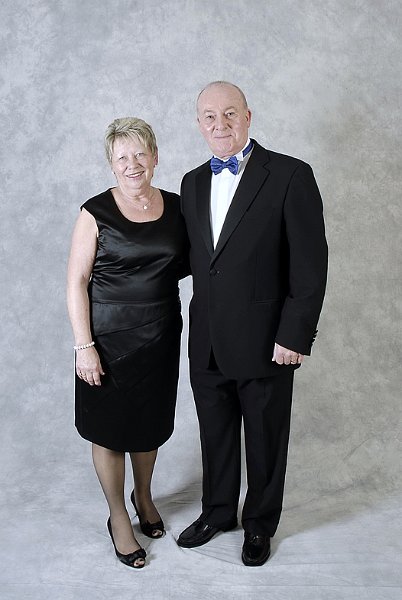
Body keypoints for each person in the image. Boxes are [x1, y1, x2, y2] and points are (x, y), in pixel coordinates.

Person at [177, 81, 328, 566]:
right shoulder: (191, 183)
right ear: (199, 124)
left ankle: (260, 524)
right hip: (207, 340)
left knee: (264, 439)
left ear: (248, 116)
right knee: (215, 435)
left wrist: (294, 334)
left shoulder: (289, 174)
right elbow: (198, 259)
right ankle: (218, 512)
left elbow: (310, 266)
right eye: (209, 116)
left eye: (229, 113)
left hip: (267, 342)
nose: (219, 124)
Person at [67, 117, 188, 568]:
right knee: (110, 431)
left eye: (140, 154)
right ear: (111, 164)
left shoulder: (178, 208)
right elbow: (76, 282)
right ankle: (118, 515)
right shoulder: (94, 212)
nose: (132, 164)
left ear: (155, 157)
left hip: (160, 337)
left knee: (149, 425)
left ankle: (144, 497)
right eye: (122, 157)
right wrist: (84, 347)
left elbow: (206, 261)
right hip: (107, 342)